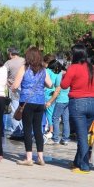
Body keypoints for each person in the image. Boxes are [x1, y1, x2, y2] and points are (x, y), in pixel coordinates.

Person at [12, 47, 52, 166]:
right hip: (40, 102)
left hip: (26, 102)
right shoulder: (43, 70)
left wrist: (13, 87)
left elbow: (15, 85)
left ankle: (29, 158)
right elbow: (50, 84)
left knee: (28, 129)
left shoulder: (24, 68)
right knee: (38, 130)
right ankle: (40, 158)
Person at [61, 43, 94, 174]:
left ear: (75, 55)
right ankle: (77, 161)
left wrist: (64, 76)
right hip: (92, 103)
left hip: (78, 103)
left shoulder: (73, 68)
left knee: (81, 136)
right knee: (83, 135)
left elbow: (64, 85)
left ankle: (85, 166)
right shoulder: (91, 68)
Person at [45, 59, 70, 146]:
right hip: (67, 99)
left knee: (55, 118)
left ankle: (55, 138)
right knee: (66, 120)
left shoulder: (59, 74)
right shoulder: (68, 74)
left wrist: (50, 101)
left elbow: (57, 88)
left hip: (59, 100)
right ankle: (65, 139)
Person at [4, 46, 25, 137]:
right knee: (23, 109)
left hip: (14, 88)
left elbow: (3, 75)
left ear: (10, 53)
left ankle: (15, 131)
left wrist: (8, 84)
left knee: (15, 109)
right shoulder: (24, 61)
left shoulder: (8, 63)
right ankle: (23, 129)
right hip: (25, 88)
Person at [43, 54, 60, 139]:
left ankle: (51, 130)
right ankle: (52, 130)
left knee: (48, 113)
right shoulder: (57, 71)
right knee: (52, 113)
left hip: (47, 94)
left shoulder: (47, 71)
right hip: (55, 94)